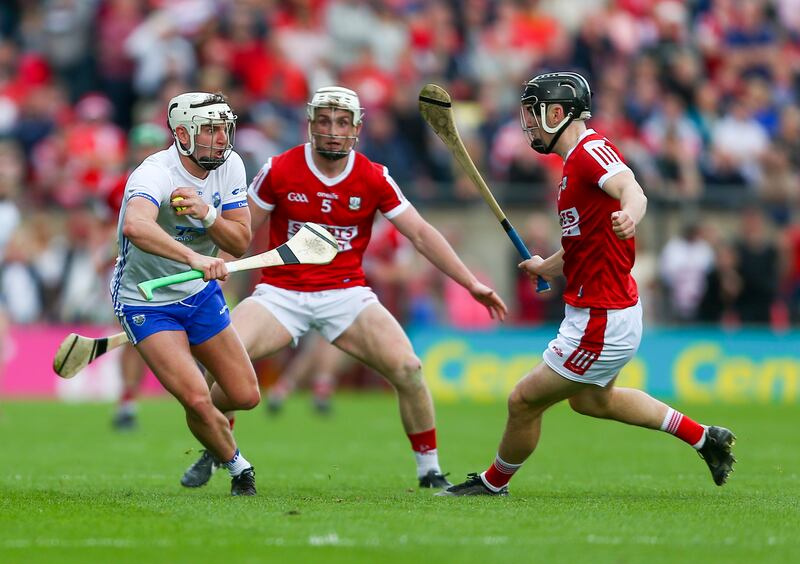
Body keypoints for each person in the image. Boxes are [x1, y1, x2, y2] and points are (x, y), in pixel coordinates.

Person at [180, 86, 508, 490]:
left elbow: (421, 234)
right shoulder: (279, 169)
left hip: (346, 293)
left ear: (356, 129)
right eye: (324, 121)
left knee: (408, 368)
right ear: (310, 124)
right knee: (227, 366)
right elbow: (241, 233)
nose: (332, 130)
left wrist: (470, 282)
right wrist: (214, 262)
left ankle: (429, 471)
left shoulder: (373, 176)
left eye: (342, 122)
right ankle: (219, 449)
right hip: (281, 294)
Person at [440, 72, 736, 497]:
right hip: (603, 310)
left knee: (523, 400)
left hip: (601, 318)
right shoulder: (572, 166)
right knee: (591, 401)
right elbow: (585, 242)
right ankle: (705, 438)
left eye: (533, 116)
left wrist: (631, 212)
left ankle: (492, 484)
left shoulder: (589, 153)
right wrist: (550, 266)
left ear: (556, 113)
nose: (529, 126)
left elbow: (632, 189)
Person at [110, 92, 260, 495]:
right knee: (195, 398)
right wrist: (193, 258)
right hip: (146, 300)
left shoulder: (231, 165)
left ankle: (212, 435)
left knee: (245, 395)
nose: (220, 139)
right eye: (209, 130)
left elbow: (241, 239)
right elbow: (136, 227)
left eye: (223, 129)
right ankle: (238, 467)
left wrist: (206, 214)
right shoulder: (154, 172)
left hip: (199, 294)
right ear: (182, 134)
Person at [107, 123, 171, 431]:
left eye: (153, 145)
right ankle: (128, 399)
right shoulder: (120, 183)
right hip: (129, 268)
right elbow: (104, 223)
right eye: (143, 146)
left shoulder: (173, 180)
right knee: (136, 337)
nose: (148, 151)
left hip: (169, 269)